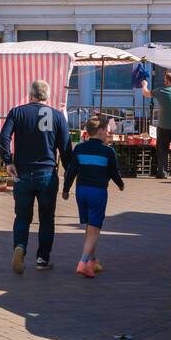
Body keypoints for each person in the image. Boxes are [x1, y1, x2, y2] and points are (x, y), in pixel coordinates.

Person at [0, 79, 72, 274]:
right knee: (47, 218)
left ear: (30, 94)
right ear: (47, 95)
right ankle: (42, 258)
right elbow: (65, 148)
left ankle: (20, 247)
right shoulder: (57, 116)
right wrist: (69, 176)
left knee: (22, 216)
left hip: (22, 172)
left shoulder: (17, 112)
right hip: (47, 173)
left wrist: (8, 161)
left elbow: (4, 137)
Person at [62, 115, 124, 278]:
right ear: (100, 131)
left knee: (90, 226)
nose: (108, 133)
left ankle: (92, 260)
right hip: (97, 191)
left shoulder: (79, 149)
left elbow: (71, 171)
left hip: (81, 191)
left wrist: (66, 189)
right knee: (95, 228)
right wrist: (120, 184)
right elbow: (113, 172)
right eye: (106, 130)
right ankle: (83, 262)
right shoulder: (108, 151)